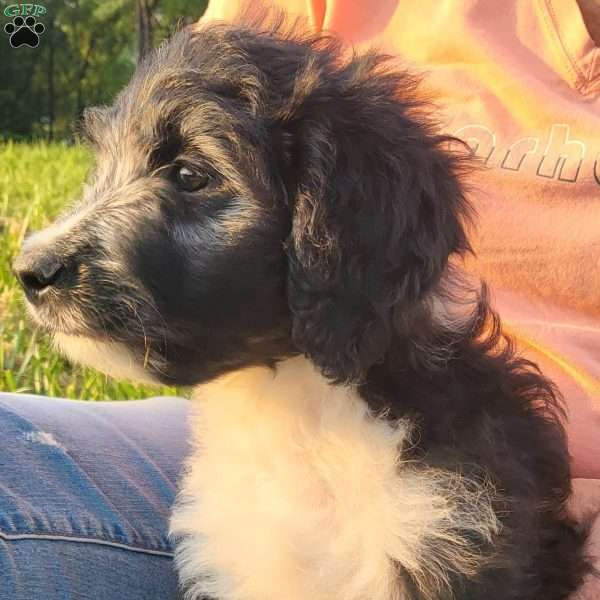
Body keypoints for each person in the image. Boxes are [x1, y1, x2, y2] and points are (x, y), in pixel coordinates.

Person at [1, 0, 598, 598]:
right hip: (264, 426)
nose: (44, 253)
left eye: (190, 178)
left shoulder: (445, 514)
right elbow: (186, 83)